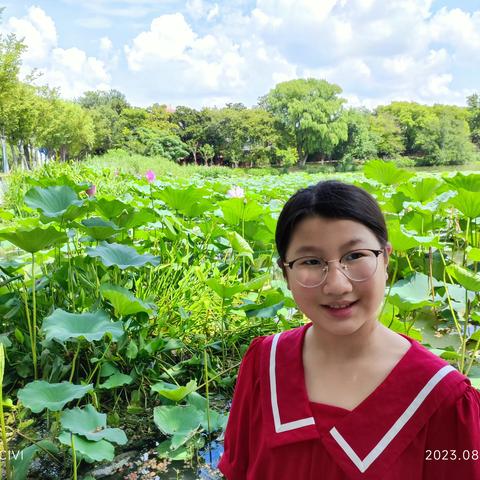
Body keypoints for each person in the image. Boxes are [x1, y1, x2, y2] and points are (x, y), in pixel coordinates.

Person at [218, 180, 480, 479]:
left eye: (354, 256)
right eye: (312, 261)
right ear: (285, 274)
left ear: (386, 258)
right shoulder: (264, 364)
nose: (337, 285)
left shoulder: (443, 398)